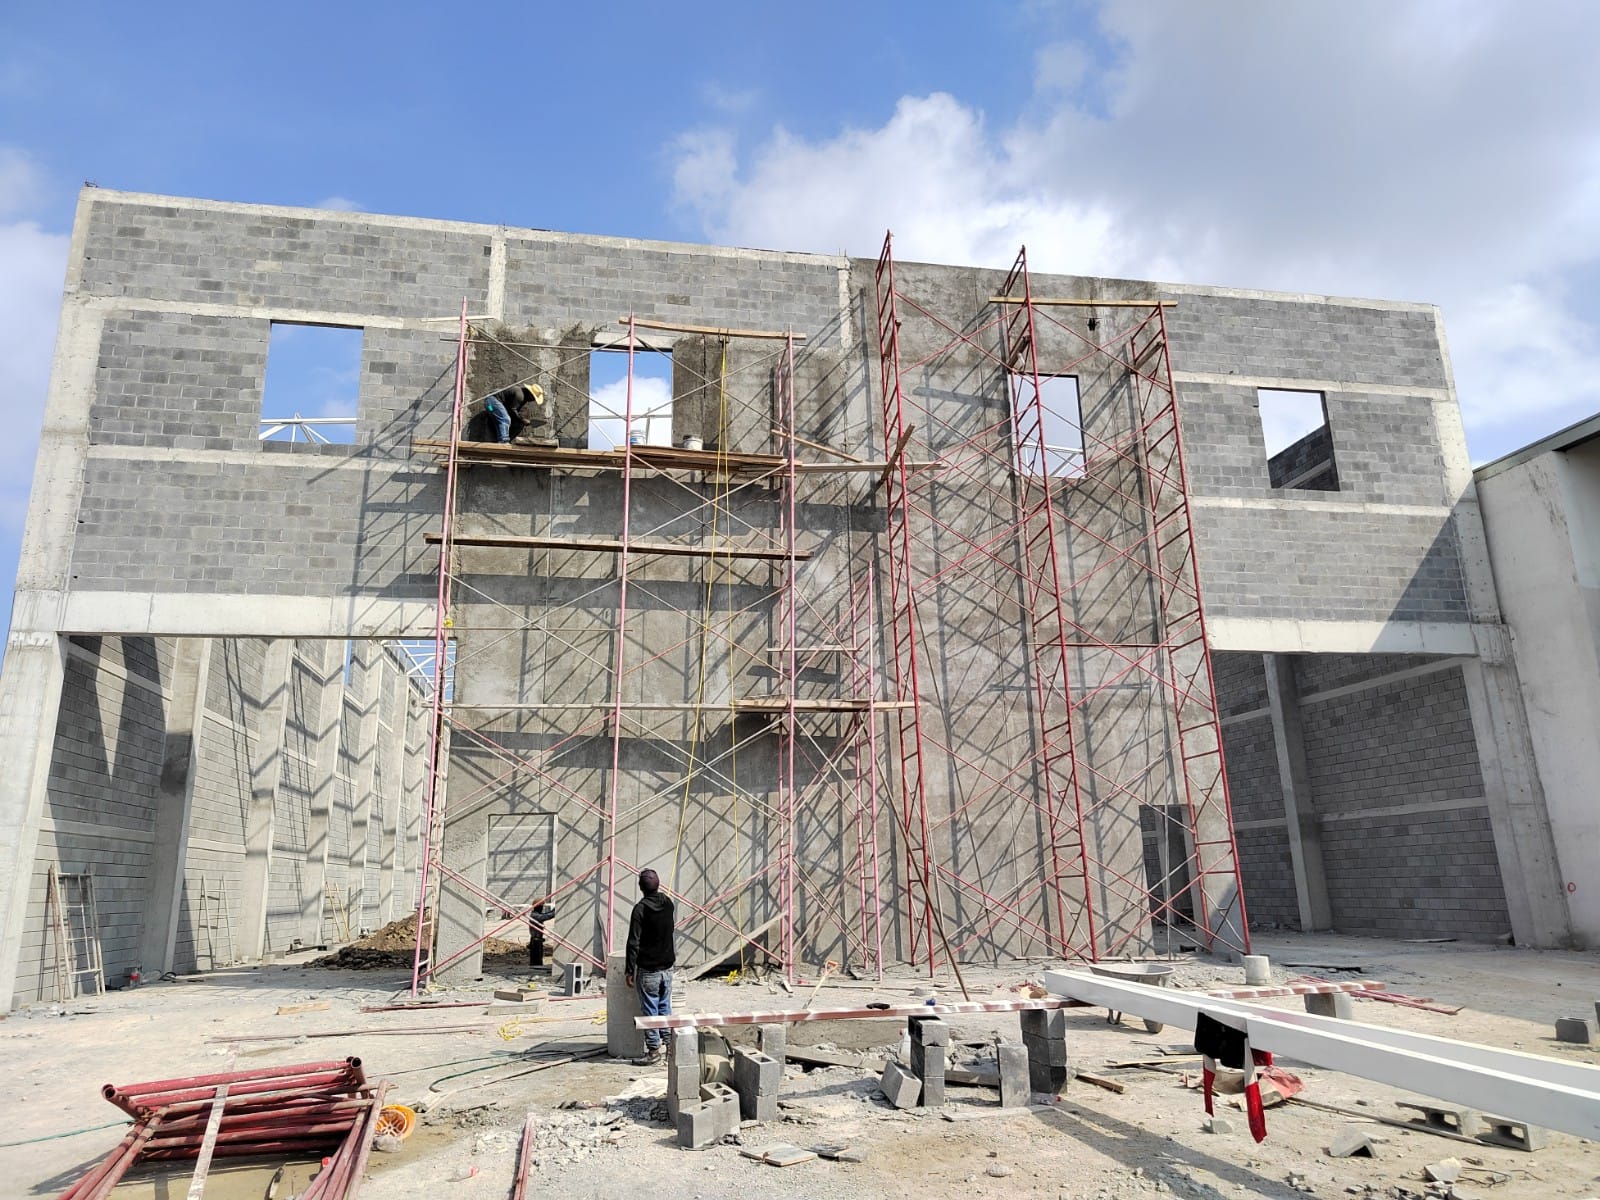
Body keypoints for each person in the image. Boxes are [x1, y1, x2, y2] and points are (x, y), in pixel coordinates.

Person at [624, 868, 676, 1065]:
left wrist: (629, 970)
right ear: (659, 884)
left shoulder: (640, 909)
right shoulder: (668, 903)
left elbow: (633, 942)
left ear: (640, 887)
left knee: (650, 1009)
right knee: (665, 1006)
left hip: (649, 970)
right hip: (667, 967)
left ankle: (654, 1051)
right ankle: (670, 1046)